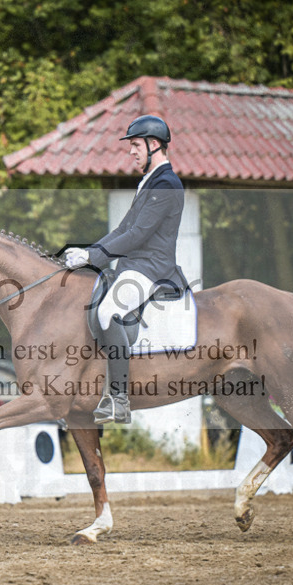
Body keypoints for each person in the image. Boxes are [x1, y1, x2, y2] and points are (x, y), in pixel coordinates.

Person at [64, 114, 187, 424]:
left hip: (151, 268)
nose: (131, 152)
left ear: (154, 144)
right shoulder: (150, 181)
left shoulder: (167, 184)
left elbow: (138, 235)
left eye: (135, 145)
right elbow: (123, 228)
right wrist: (88, 252)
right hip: (134, 265)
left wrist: (94, 258)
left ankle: (119, 398)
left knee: (109, 312)